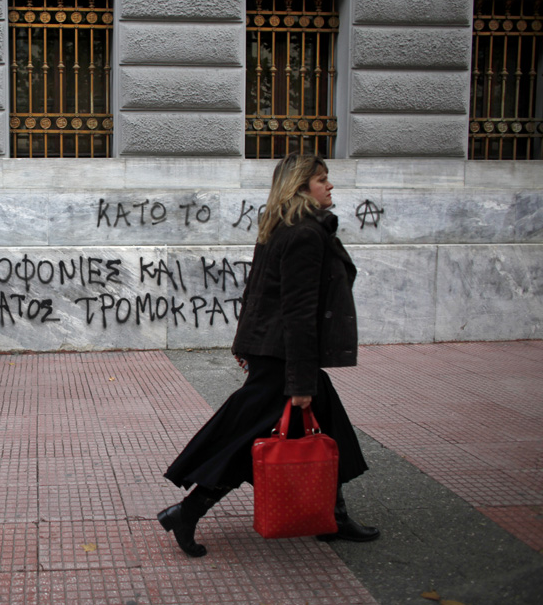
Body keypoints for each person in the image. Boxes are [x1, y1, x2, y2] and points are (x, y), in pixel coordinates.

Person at [158, 152, 379, 557]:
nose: (330, 186)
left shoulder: (286, 228)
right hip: (284, 359)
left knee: (316, 430)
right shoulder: (304, 235)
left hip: (275, 353)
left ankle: (332, 517)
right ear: (300, 188)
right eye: (321, 180)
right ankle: (187, 512)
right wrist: (299, 382)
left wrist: (246, 345)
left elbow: (257, 292)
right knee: (249, 441)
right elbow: (296, 312)